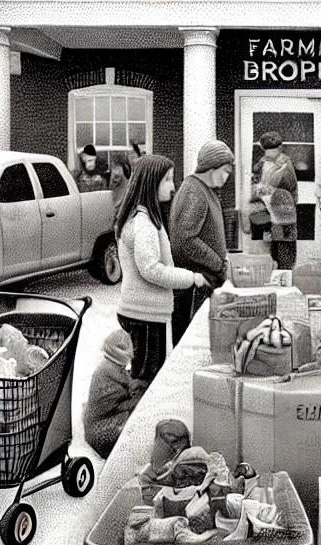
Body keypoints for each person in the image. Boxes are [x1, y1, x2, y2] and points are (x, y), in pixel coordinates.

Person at [115, 153, 207, 383]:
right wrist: (190, 278)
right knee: (146, 380)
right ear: (151, 182)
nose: (173, 186)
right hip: (143, 314)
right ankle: (139, 418)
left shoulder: (143, 217)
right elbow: (151, 270)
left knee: (145, 374)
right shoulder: (143, 223)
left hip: (142, 311)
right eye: (167, 179)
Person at [170, 140, 234, 344]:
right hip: (195, 288)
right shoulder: (194, 191)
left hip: (204, 283)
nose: (227, 176)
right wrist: (217, 263)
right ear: (212, 167)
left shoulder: (203, 189)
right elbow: (184, 240)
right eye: (225, 170)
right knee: (193, 342)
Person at [83, 328, 147, 460]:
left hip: (94, 429)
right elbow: (128, 392)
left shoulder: (106, 365)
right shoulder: (112, 371)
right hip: (102, 432)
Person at [249, 131, 298, 270]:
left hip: (283, 215)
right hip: (268, 215)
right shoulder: (261, 165)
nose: (271, 154)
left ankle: (284, 282)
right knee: (273, 255)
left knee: (284, 255)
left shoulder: (285, 165)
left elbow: (291, 189)